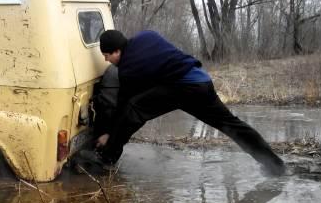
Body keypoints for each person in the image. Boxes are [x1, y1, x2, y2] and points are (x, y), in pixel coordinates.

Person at [80, 29, 286, 176]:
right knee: (231, 124)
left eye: (107, 55)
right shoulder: (147, 35)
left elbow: (124, 105)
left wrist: (108, 133)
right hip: (201, 80)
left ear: (116, 51)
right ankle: (273, 164)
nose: (107, 60)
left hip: (185, 88)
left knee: (133, 109)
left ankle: (107, 158)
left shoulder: (128, 70)